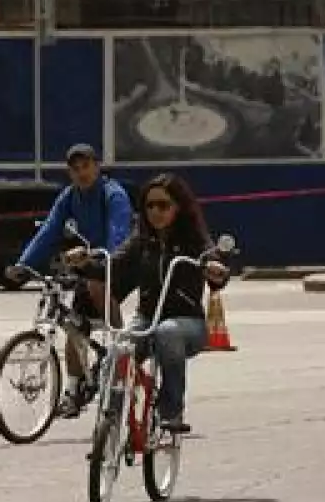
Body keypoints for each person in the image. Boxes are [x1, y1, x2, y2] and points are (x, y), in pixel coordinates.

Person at [65, 172, 228, 434]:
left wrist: (216, 269)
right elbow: (111, 266)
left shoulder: (193, 240)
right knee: (118, 351)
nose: (156, 212)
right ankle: (110, 423)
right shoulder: (141, 241)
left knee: (168, 332)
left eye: (163, 205)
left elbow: (212, 258)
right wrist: (85, 263)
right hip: (146, 319)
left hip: (188, 325)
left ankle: (171, 412)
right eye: (150, 206)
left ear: (178, 207)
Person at [6, 143, 134, 418]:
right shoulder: (69, 197)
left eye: (86, 166)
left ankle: (119, 343)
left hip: (120, 262)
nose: (81, 173)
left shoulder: (113, 195)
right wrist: (24, 264)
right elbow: (50, 231)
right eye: (75, 169)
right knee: (73, 324)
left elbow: (119, 233)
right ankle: (73, 390)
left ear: (97, 166)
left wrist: (97, 256)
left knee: (97, 286)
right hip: (89, 265)